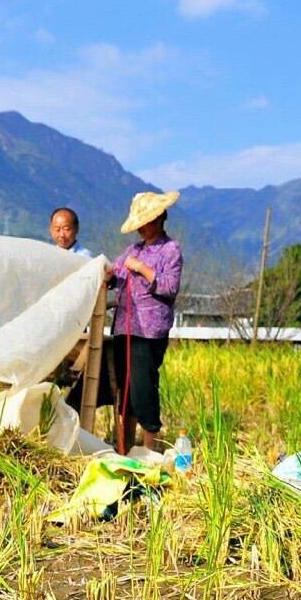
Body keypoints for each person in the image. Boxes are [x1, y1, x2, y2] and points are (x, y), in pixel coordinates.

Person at [109, 190, 181, 454]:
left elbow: (169, 287)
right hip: (124, 328)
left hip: (148, 332)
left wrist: (141, 268)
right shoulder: (133, 249)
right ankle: (124, 447)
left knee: (143, 388)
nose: (141, 228)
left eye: (146, 221)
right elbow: (116, 274)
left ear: (159, 218)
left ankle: (151, 450)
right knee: (124, 390)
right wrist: (109, 275)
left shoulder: (170, 250)